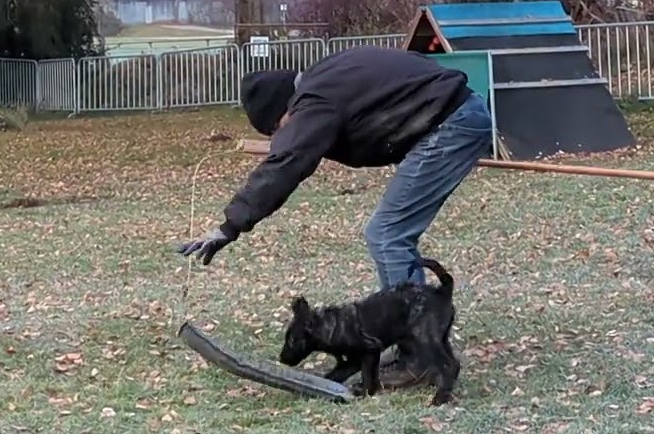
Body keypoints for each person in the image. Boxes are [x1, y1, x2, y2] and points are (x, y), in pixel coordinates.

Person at [177, 45, 495, 390]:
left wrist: (230, 226)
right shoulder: (326, 74)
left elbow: (287, 161)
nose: (278, 138)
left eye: (275, 131)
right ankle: (413, 345)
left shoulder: (313, 103)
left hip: (450, 123)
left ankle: (417, 357)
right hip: (455, 112)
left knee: (388, 233)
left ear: (282, 111)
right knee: (389, 231)